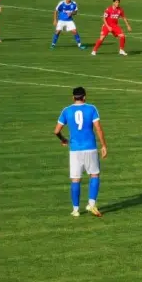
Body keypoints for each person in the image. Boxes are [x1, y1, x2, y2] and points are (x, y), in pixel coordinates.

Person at [54, 87, 107, 217]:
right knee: (94, 175)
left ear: (73, 97)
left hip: (75, 150)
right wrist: (104, 145)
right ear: (85, 97)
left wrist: (63, 139)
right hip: (90, 148)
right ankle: (91, 204)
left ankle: (76, 210)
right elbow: (98, 128)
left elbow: (56, 131)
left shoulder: (66, 111)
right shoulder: (91, 109)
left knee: (75, 179)